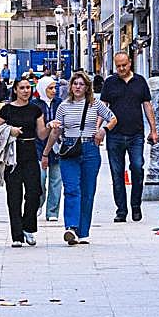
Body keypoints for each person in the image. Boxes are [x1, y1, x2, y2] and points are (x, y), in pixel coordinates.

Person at [44, 71, 115, 245]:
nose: (77, 87)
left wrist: (103, 131)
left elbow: (113, 119)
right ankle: (71, 227)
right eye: (75, 83)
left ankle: (83, 231)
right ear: (70, 86)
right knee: (71, 189)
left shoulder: (95, 104)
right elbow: (56, 131)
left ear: (87, 87)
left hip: (90, 148)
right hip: (69, 149)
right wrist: (46, 153)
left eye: (81, 84)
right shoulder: (63, 106)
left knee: (88, 191)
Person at [101, 52, 158, 223]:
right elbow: (102, 107)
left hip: (136, 135)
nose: (121, 68)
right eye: (118, 66)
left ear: (130, 63)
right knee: (117, 173)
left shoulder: (140, 81)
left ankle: (136, 206)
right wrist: (98, 130)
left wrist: (153, 130)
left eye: (124, 65)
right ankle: (121, 210)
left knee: (138, 167)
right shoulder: (110, 82)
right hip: (115, 135)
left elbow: (147, 106)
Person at [0, 77, 50, 246]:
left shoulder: (35, 110)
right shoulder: (7, 110)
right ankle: (17, 236)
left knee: (34, 192)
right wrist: (10, 130)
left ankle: (29, 228)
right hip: (13, 155)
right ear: (15, 90)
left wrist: (51, 127)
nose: (26, 91)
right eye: (22, 88)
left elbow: (41, 134)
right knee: (14, 196)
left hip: (31, 153)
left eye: (28, 87)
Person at [33, 75, 62, 221]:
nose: (54, 91)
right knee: (40, 179)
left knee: (56, 181)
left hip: (57, 146)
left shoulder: (60, 103)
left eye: (54, 88)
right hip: (39, 146)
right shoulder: (35, 105)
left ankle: (52, 212)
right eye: (50, 88)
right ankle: (38, 203)